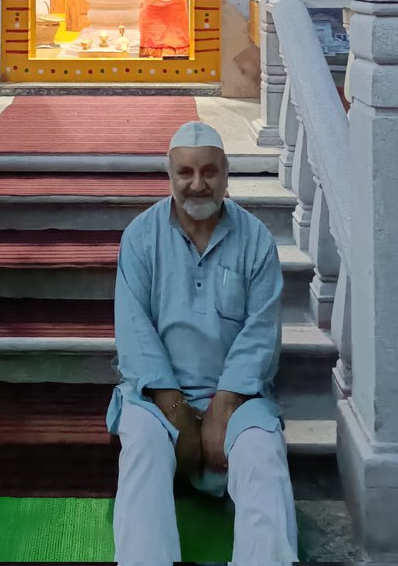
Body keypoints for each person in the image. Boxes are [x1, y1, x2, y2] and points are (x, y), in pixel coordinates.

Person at [107, 120, 297, 565]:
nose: (197, 184)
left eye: (209, 172)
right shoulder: (140, 237)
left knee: (263, 458)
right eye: (185, 173)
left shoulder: (256, 241)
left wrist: (223, 405)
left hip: (238, 397)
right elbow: (134, 330)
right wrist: (175, 409)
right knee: (143, 451)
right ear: (169, 174)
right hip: (155, 396)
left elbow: (260, 333)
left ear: (226, 173)